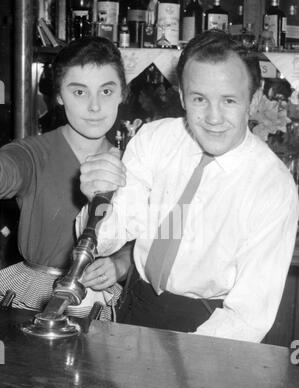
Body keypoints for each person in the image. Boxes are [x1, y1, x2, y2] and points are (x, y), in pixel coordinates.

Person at [77, 30, 299, 342]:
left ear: (253, 99)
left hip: (211, 327)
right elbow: (110, 236)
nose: (213, 117)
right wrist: (97, 200)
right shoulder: (154, 140)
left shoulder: (273, 187)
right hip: (135, 306)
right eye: (199, 99)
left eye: (229, 100)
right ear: (182, 96)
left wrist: (190, 363)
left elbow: (248, 317)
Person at [0, 36, 132, 315]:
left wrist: (121, 262)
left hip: (96, 302)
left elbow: (157, 239)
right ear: (59, 95)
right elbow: (7, 169)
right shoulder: (33, 153)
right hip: (33, 296)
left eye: (106, 91)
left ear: (123, 92)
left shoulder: (135, 163)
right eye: (80, 92)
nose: (95, 107)